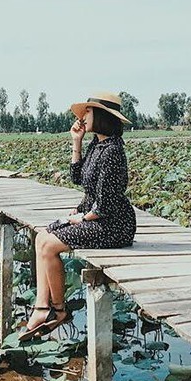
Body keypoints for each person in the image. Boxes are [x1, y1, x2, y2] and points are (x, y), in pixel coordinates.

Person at [18, 91, 136, 341]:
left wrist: (82, 218)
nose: (83, 116)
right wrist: (77, 143)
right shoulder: (98, 144)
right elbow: (79, 179)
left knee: (49, 245)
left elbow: (106, 203)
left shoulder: (112, 150)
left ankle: (58, 310)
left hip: (113, 224)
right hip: (99, 217)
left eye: (89, 111)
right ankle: (42, 306)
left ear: (102, 115)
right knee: (42, 237)